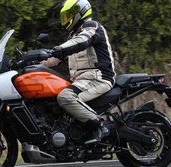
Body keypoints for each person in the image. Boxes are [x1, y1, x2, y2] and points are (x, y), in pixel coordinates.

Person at [42, 0, 116, 144]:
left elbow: (83, 41)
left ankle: (99, 126)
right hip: (83, 80)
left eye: (69, 15)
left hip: (99, 78)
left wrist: (58, 48)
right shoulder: (73, 37)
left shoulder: (91, 27)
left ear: (79, 13)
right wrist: (33, 61)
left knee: (65, 97)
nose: (66, 19)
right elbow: (55, 58)